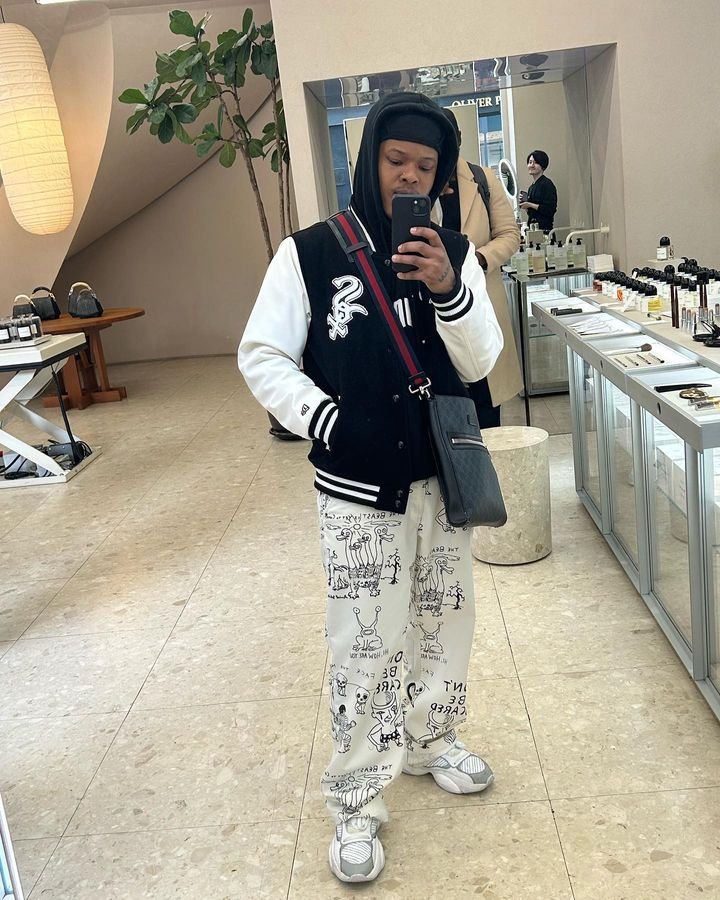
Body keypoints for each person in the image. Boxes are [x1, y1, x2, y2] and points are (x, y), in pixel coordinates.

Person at [238, 91, 502, 884]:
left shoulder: (453, 251)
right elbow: (261, 354)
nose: (408, 177)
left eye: (425, 166)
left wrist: (449, 287)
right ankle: (355, 798)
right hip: (356, 490)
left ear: (442, 176)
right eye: (395, 161)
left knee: (443, 620)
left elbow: (481, 360)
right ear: (368, 161)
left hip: (441, 479)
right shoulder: (311, 253)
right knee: (364, 643)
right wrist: (325, 419)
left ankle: (431, 739)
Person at [439, 107, 522, 428]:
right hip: (433, 311)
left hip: (481, 300)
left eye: (450, 138)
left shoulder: (483, 179)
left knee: (485, 405)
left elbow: (510, 234)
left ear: (459, 139)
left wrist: (477, 260)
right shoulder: (418, 183)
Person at [519, 149, 557, 232]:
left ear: (543, 165)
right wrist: (526, 206)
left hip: (545, 230)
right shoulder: (531, 187)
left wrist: (529, 204)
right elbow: (532, 213)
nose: (531, 165)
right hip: (533, 230)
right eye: (530, 162)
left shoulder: (547, 184)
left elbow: (550, 210)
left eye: (535, 163)